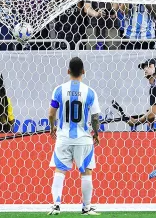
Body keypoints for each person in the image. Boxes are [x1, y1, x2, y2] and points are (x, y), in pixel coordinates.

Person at [48, 57, 101, 215]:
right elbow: (96, 117)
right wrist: (96, 133)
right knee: (86, 172)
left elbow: (51, 114)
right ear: (83, 71)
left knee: (59, 170)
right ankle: (86, 208)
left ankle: (56, 205)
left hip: (63, 138)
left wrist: (52, 128)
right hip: (83, 139)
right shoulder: (90, 92)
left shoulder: (59, 90)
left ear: (68, 71)